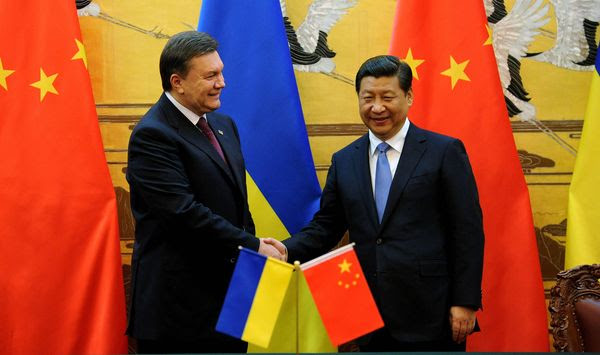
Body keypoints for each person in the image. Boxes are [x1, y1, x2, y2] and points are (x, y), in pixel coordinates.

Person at [266, 55, 484, 351]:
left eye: (387, 97)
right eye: (368, 97)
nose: (377, 107)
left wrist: (465, 301)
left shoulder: (443, 151)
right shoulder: (345, 160)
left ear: (408, 97)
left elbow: (467, 231)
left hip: (431, 312)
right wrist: (285, 249)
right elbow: (326, 227)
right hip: (366, 316)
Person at [126, 31, 283, 353]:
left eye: (221, 72)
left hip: (230, 300)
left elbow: (237, 203)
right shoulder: (153, 134)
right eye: (211, 75)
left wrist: (253, 254)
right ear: (177, 82)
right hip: (180, 312)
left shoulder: (223, 124)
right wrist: (253, 245)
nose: (222, 82)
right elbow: (183, 213)